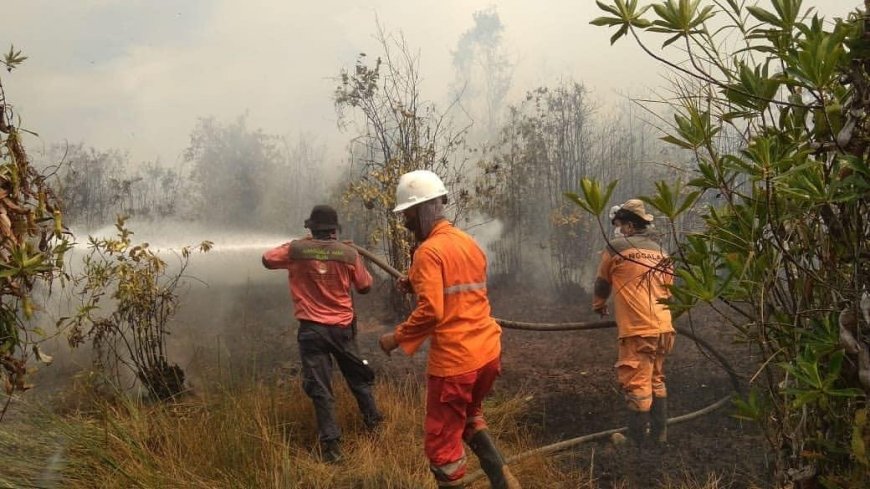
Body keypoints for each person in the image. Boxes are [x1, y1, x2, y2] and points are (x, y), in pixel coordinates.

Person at [378, 170, 521, 489]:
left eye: (407, 215)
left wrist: (395, 337)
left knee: (443, 449)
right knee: (470, 415)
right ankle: (504, 479)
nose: (405, 223)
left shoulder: (428, 251)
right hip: (487, 354)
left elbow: (432, 311)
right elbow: (458, 286)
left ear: (420, 209)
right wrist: (414, 280)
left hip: (455, 364)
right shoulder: (466, 242)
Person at [262, 204, 383, 464]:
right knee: (359, 379)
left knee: (320, 388)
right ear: (334, 230)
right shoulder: (348, 253)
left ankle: (332, 448)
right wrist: (346, 254)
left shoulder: (296, 250)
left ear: (312, 228)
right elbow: (364, 286)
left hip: (312, 332)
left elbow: (267, 259)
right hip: (342, 330)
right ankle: (374, 426)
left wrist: (299, 244)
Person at [593, 199, 676, 447]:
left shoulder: (616, 248)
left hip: (639, 329)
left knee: (637, 383)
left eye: (619, 225)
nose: (617, 230)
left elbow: (602, 283)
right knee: (656, 379)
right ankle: (659, 435)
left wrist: (599, 305)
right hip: (664, 327)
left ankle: (636, 442)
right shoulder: (661, 252)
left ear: (629, 226)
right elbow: (669, 290)